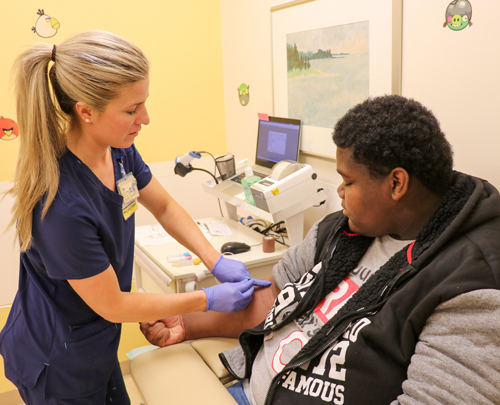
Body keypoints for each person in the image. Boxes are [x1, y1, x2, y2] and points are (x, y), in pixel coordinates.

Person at [141, 95, 500, 405]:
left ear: (396, 183)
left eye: (348, 181)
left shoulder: (470, 282)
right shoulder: (338, 231)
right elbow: (275, 303)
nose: (339, 192)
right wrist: (185, 325)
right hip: (249, 387)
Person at [0, 30, 270, 405]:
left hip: (94, 341)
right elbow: (113, 303)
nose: (144, 118)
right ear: (86, 111)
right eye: (131, 110)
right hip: (57, 361)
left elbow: (165, 207)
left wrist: (216, 259)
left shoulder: (118, 152)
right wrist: (205, 299)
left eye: (143, 103)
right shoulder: (59, 204)